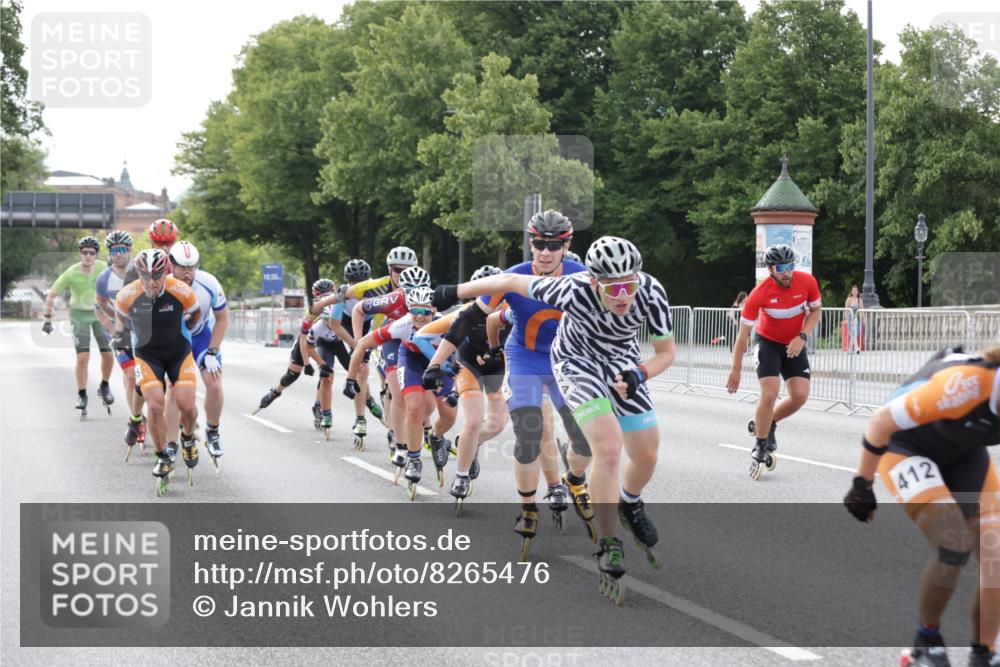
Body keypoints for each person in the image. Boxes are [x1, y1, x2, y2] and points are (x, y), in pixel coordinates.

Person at [433, 236, 675, 595]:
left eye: (630, 284)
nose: (624, 295)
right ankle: (609, 542)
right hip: (575, 364)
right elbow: (508, 282)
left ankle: (631, 501)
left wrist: (640, 374)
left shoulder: (650, 292)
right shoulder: (571, 289)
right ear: (594, 282)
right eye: (614, 287)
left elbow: (666, 352)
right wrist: (454, 291)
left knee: (647, 453)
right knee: (607, 448)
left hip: (623, 362)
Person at [433, 210, 598, 557]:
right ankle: (527, 508)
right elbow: (471, 318)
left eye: (554, 245)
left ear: (567, 246)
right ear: (530, 243)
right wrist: (437, 363)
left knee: (585, 437)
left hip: (566, 360)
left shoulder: (584, 277)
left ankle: (574, 478)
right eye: (538, 243)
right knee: (528, 430)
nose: (545, 252)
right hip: (525, 356)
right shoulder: (515, 275)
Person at [843, 345, 1000, 667]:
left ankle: (983, 653)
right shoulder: (967, 384)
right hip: (906, 445)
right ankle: (925, 641)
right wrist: (862, 485)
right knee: (954, 542)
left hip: (964, 454)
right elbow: (881, 422)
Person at [345, 287, 456, 497]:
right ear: (409, 310)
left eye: (425, 312)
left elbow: (465, 352)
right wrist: (351, 378)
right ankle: (414, 459)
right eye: (415, 311)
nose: (420, 317)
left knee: (446, 411)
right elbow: (362, 345)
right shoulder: (402, 324)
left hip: (441, 359)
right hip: (412, 358)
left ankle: (437, 436)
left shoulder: (447, 324)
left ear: (434, 310)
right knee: (414, 407)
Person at [726, 244, 822, 480]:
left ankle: (769, 422)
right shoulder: (759, 293)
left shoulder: (807, 282)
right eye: (781, 268)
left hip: (794, 342)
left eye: (790, 266)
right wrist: (735, 370)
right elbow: (742, 336)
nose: (787, 272)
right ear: (770, 269)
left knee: (800, 396)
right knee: (770, 393)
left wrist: (803, 335)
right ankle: (759, 445)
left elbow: (816, 312)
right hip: (767, 342)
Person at [114, 249, 201, 491]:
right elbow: (119, 322)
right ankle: (163, 454)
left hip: (178, 353)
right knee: (154, 405)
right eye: (146, 276)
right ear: (138, 274)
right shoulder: (127, 294)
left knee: (188, 406)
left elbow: (196, 314)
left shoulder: (181, 290)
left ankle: (187, 437)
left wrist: (188, 330)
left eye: (157, 275)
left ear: (166, 272)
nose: (152, 281)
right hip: (147, 355)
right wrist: (120, 339)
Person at [168, 241, 229, 464]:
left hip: (202, 336)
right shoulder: (162, 285)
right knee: (174, 390)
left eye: (192, 267)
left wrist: (213, 350)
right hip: (175, 341)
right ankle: (172, 441)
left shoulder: (209, 282)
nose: (187, 272)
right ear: (170, 265)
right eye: (182, 267)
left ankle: (212, 431)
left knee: (214, 382)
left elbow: (222, 318)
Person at [43, 236, 114, 415]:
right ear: (80, 254)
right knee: (83, 357)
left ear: (96, 254)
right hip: (79, 315)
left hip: (100, 314)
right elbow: (52, 294)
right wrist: (47, 319)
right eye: (85, 252)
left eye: (92, 253)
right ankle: (82, 394)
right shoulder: (72, 272)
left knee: (107, 354)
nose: (88, 256)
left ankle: (104, 385)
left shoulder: (103, 268)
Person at [94, 231, 146, 451]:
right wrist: (115, 326)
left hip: (143, 331)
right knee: (129, 375)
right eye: (114, 251)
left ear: (130, 251)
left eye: (123, 250)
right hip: (121, 333)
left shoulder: (141, 273)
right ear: (110, 254)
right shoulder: (104, 278)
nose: (119, 254)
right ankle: (137, 418)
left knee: (146, 375)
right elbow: (100, 307)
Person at [845, 284, 862, 354]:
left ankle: (849, 348)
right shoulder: (849, 299)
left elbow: (861, 310)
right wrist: (846, 320)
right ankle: (857, 347)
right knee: (853, 333)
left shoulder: (859, 300)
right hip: (850, 318)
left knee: (854, 333)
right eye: (853, 290)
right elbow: (846, 310)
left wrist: (862, 319)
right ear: (851, 292)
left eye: (855, 291)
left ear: (858, 292)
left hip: (856, 318)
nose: (854, 292)